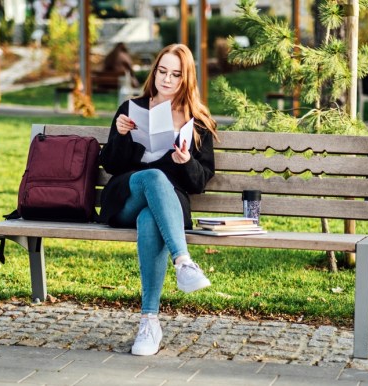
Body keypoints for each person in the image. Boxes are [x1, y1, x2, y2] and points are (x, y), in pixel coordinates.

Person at [99, 43, 218, 356]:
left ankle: (149, 322)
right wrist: (121, 135)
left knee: (151, 219)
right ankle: (183, 261)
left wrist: (186, 161)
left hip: (168, 207)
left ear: (186, 78)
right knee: (153, 177)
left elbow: (201, 180)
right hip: (127, 195)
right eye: (163, 71)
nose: (167, 79)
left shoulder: (198, 120)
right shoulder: (131, 108)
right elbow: (110, 164)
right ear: (155, 72)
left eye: (176, 74)